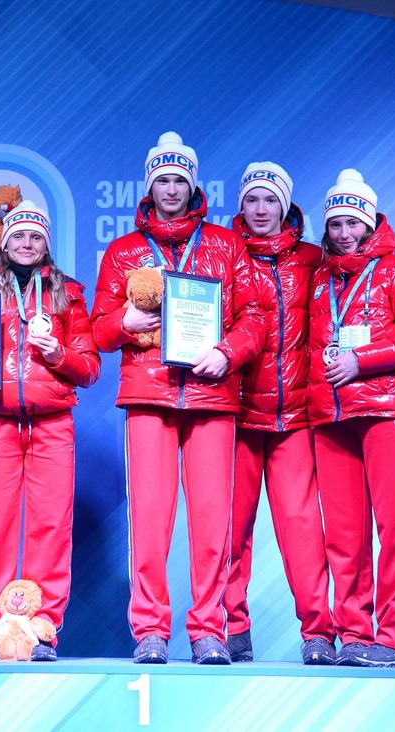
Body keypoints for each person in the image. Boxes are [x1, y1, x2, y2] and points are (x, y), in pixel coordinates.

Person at [91, 132, 263, 665]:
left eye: (178, 180)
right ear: (150, 186)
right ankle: (150, 630)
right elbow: (96, 331)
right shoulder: (123, 252)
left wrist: (229, 353)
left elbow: (255, 317)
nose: (170, 189)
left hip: (212, 396)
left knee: (212, 520)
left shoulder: (226, 245)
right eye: (161, 180)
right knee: (149, 518)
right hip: (149, 395)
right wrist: (124, 322)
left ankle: (209, 628)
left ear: (192, 185)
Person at [306, 169, 395, 668]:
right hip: (330, 415)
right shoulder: (320, 278)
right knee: (344, 534)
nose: (343, 233)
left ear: (369, 223)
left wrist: (362, 360)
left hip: (384, 409)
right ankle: (356, 635)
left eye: (351, 223)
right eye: (335, 224)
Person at [0, 201, 101, 662]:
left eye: (36, 237)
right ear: (5, 243)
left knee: (50, 527)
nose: (27, 245)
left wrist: (58, 353)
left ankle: (41, 631)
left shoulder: (70, 294)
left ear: (47, 244)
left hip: (51, 424)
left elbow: (90, 369)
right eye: (19, 236)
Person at [224, 162, 337, 665]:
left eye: (270, 200)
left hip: (295, 418)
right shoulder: (222, 255)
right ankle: (230, 629)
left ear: (287, 206)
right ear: (241, 206)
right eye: (252, 200)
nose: (261, 209)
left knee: (302, 528)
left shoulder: (316, 259)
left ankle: (319, 632)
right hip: (236, 415)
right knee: (229, 529)